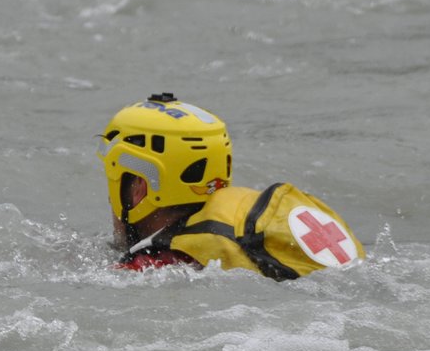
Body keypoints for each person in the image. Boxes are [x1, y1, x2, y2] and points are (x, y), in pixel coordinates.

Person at [97, 93, 364, 279]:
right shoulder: (251, 211)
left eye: (115, 181)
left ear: (140, 188)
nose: (111, 201)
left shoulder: (160, 265)